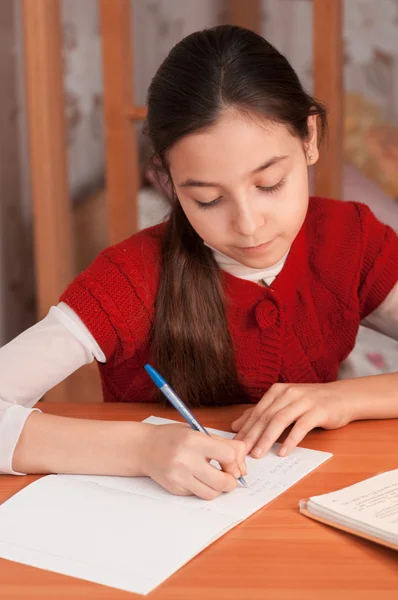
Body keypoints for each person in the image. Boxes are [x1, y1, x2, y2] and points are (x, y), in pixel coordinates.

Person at [1, 25, 397, 500]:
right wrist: (142, 448)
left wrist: (344, 398)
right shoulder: (130, 280)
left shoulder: (350, 240)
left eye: (269, 183)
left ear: (309, 137)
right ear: (167, 181)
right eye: (208, 199)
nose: (248, 225)